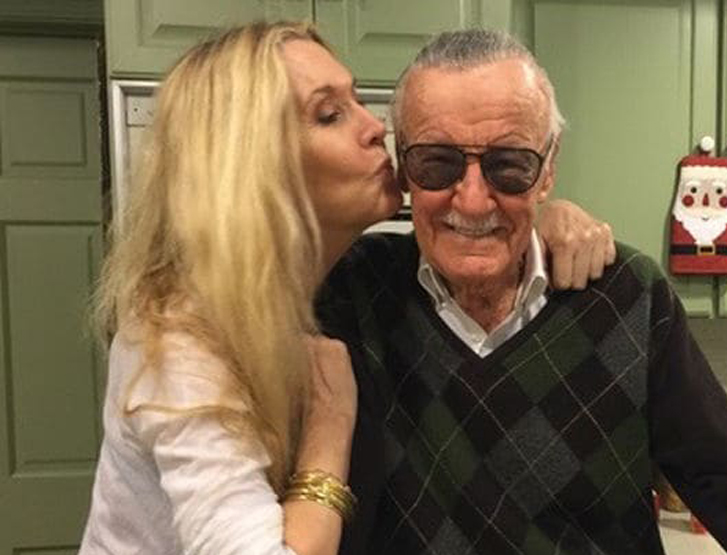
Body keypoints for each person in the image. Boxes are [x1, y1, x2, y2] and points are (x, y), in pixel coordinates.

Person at [316, 29, 727, 555]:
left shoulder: (626, 296)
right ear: (402, 165)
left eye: (510, 166)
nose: (472, 199)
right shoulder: (349, 294)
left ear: (549, 167)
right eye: (436, 163)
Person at [79, 22, 612, 555]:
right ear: (252, 168)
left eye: (357, 100)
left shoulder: (336, 288)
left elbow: (484, 208)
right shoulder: (183, 341)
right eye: (329, 114)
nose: (376, 128)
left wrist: (538, 217)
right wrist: (328, 429)